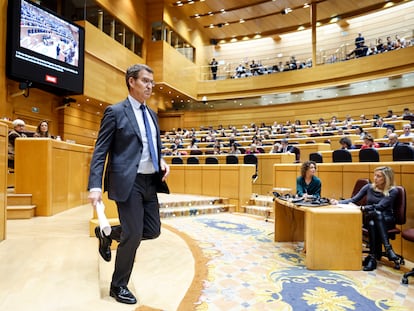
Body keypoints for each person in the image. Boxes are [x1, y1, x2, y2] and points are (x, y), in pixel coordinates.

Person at [88, 64, 170, 305]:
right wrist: (94, 185)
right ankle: (118, 285)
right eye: (145, 81)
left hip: (149, 181)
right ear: (131, 82)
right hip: (128, 182)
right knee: (133, 234)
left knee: (152, 231)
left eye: (152, 82)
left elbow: (153, 145)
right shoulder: (115, 112)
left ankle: (108, 234)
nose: (150, 86)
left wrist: (162, 160)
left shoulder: (152, 114)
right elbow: (100, 151)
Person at [330, 166, 399, 271]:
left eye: (378, 176)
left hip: (387, 219)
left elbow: (380, 206)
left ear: (386, 178)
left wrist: (362, 208)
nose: (375, 178)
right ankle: (388, 248)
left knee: (374, 219)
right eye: (375, 175)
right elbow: (354, 199)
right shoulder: (368, 187)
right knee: (375, 215)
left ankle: (372, 257)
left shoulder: (393, 191)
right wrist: (338, 202)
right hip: (370, 215)